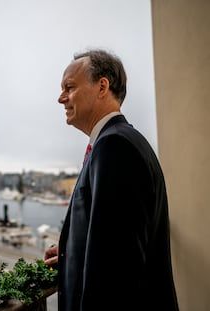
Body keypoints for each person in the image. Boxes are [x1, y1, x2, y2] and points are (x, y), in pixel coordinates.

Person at [44, 49, 179, 310]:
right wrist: (70, 253)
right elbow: (112, 242)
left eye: (69, 87)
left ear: (102, 86)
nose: (61, 98)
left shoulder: (115, 147)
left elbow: (116, 270)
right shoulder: (122, 141)